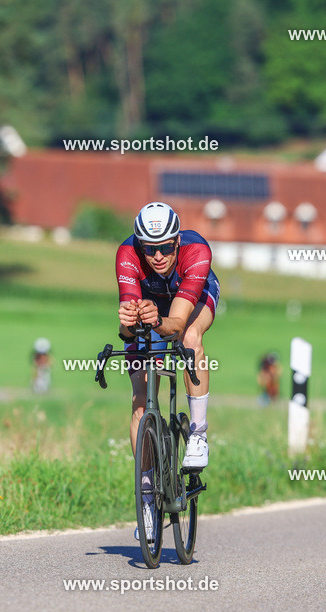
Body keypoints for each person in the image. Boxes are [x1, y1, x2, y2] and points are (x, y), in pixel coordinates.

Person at [116, 202, 220, 539]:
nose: (158, 256)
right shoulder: (127, 255)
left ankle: (199, 433)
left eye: (165, 247)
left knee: (190, 338)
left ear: (176, 241)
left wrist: (158, 320)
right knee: (140, 396)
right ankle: (147, 497)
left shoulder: (196, 251)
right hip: (150, 303)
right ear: (140, 244)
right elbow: (129, 333)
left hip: (191, 300)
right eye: (150, 248)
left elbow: (175, 325)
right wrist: (131, 323)